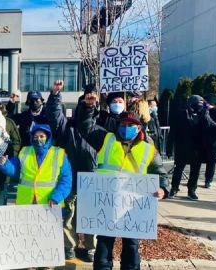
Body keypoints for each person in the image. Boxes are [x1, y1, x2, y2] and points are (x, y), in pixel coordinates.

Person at [78, 92, 169, 270]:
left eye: (131, 125)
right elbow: (86, 127)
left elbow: (161, 174)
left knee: (131, 247)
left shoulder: (149, 150)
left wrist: (163, 190)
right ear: (118, 125)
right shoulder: (106, 139)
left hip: (133, 207)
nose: (127, 127)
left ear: (139, 128)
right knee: (104, 245)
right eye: (124, 124)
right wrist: (88, 108)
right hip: (107, 204)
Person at [46, 89, 98, 261]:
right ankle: (69, 246)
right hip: (70, 175)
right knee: (68, 213)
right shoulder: (68, 126)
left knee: (90, 213)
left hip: (92, 176)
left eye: (90, 103)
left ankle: (91, 246)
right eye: (84, 103)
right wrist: (54, 96)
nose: (88, 105)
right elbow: (55, 116)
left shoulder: (99, 126)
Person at [0, 123, 72, 207]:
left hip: (50, 204)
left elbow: (66, 180)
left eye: (42, 136)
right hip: (26, 203)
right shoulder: (24, 151)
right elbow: (14, 170)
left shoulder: (59, 154)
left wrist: (56, 198)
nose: (38, 139)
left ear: (48, 137)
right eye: (35, 137)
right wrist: (4, 164)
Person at [167, 95, 216, 200]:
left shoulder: (204, 115)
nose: (199, 106)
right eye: (198, 104)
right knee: (178, 168)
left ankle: (191, 190)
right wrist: (169, 148)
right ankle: (174, 188)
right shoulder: (181, 114)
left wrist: (205, 115)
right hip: (182, 147)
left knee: (195, 170)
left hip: (197, 148)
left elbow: (212, 127)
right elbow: (172, 132)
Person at [9, 80, 64, 145]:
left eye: (37, 100)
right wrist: (11, 103)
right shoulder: (24, 117)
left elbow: (54, 109)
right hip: (27, 151)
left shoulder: (48, 114)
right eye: (32, 100)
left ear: (41, 101)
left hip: (46, 150)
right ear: (28, 102)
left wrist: (55, 93)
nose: (34, 102)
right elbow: (8, 121)